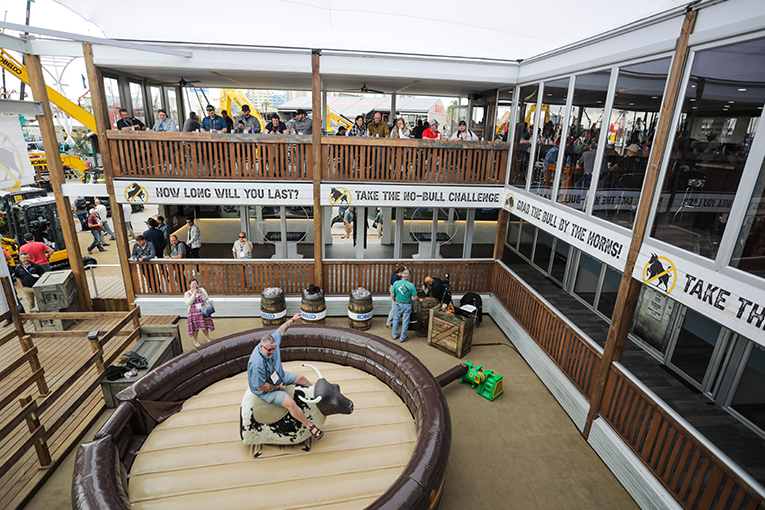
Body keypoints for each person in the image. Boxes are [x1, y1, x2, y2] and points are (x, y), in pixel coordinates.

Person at [247, 312, 323, 440]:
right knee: (291, 403)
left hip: (278, 375)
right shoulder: (257, 364)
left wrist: (292, 319)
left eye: (274, 349)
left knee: (302, 378)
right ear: (261, 347)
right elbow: (261, 387)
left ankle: (315, 398)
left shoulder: (272, 343)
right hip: (266, 389)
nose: (272, 352)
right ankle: (310, 426)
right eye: (269, 350)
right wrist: (278, 388)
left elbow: (280, 330)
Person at [390, 269, 422, 342]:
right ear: (408, 277)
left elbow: (392, 294)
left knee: (396, 319)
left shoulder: (396, 283)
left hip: (398, 304)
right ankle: (402, 337)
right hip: (407, 305)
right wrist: (419, 300)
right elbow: (415, 297)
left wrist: (394, 300)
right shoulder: (411, 285)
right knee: (405, 321)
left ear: (402, 276)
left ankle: (394, 335)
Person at [184, 278, 214, 348]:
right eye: (193, 284)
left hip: (203, 310)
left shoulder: (202, 290)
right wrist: (193, 295)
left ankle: (207, 338)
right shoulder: (187, 293)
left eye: (195, 284)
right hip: (193, 312)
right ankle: (195, 341)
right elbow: (189, 303)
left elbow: (206, 298)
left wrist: (201, 293)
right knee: (195, 328)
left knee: (205, 325)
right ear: (189, 285)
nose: (194, 285)